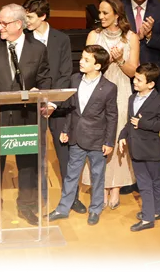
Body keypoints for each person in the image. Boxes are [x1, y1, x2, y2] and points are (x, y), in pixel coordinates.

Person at [0, 3, 52, 227]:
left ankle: (26, 207)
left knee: (27, 166)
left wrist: (41, 92)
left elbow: (44, 78)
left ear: (18, 25)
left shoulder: (37, 49)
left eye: (3, 23)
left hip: (25, 117)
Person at [22, 0, 84, 213]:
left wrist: (53, 104)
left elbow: (65, 73)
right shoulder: (23, 39)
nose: (25, 21)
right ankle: (32, 201)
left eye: (29, 17)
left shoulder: (62, 39)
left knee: (66, 155)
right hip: (31, 107)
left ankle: (72, 198)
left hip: (57, 109)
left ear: (42, 16)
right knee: (32, 157)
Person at [47, 45, 117, 225]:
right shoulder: (75, 79)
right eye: (82, 57)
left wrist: (109, 141)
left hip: (97, 139)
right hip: (76, 137)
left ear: (98, 66)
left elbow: (112, 116)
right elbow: (72, 109)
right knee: (71, 174)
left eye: (86, 60)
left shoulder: (109, 88)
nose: (81, 61)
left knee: (97, 175)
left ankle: (95, 209)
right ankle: (63, 208)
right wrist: (65, 130)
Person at [84, 0, 140, 206]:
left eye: (105, 13)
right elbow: (88, 65)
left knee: (117, 139)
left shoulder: (130, 38)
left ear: (117, 15)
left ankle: (116, 186)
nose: (101, 16)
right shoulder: (93, 35)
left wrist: (120, 59)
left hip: (121, 91)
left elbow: (133, 71)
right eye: (100, 12)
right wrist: (106, 60)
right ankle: (102, 186)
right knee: (98, 138)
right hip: (97, 91)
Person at [118, 63, 160, 232]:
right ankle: (150, 213)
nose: (135, 81)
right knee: (144, 183)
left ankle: (153, 215)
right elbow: (130, 122)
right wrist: (122, 136)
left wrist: (143, 123)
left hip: (152, 150)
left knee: (156, 181)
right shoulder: (132, 98)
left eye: (139, 80)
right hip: (136, 149)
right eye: (135, 78)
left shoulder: (159, 102)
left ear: (151, 84)